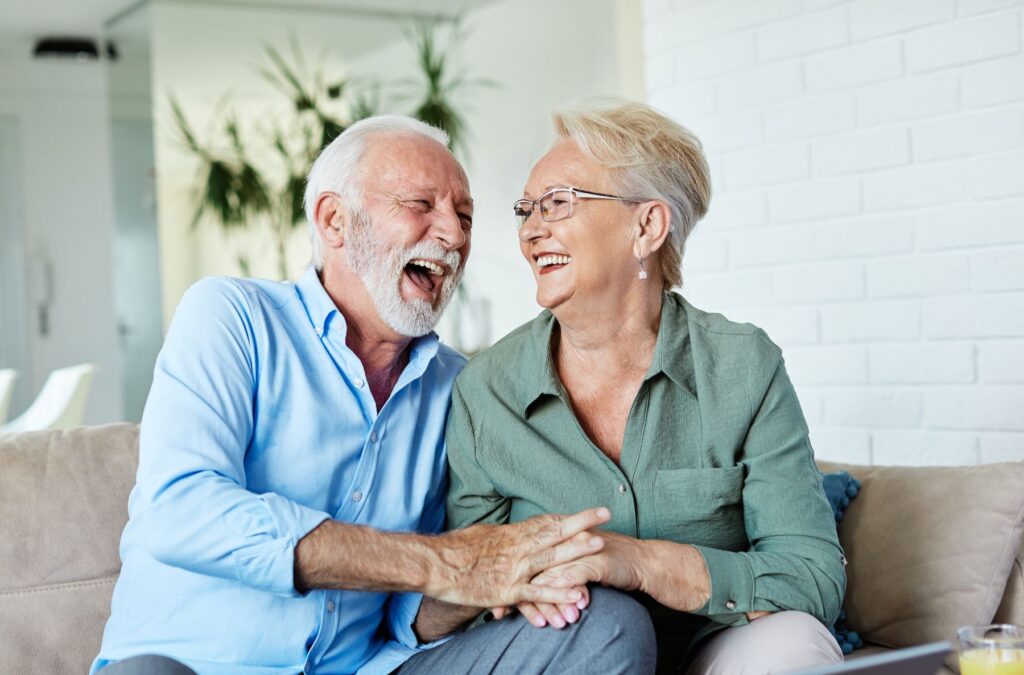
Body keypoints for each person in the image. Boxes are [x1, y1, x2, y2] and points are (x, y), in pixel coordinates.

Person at [93, 115, 655, 675]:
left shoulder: (459, 388)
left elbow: (410, 617)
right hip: (191, 668)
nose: (455, 235)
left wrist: (511, 574)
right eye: (421, 206)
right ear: (335, 221)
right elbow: (183, 511)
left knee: (606, 627)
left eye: (464, 216)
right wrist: (445, 563)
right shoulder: (232, 317)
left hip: (368, 669)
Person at [445, 101, 847, 674]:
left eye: (558, 203)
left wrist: (640, 562)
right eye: (526, 209)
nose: (532, 230)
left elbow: (812, 574)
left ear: (647, 226)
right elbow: (469, 586)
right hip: (570, 647)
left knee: (794, 644)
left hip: (715, 644)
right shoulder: (487, 392)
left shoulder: (741, 366)